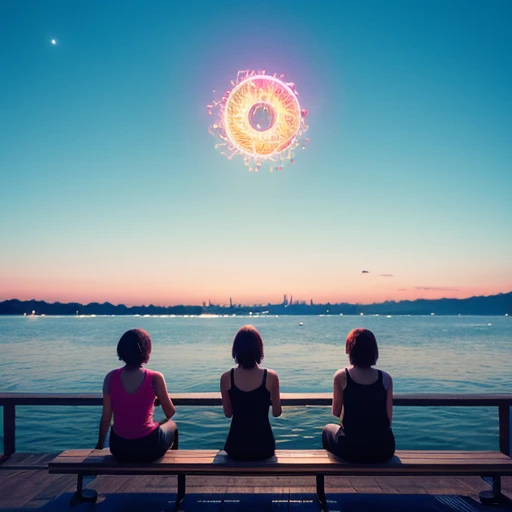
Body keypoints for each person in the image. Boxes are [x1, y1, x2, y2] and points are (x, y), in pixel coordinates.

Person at [95, 328, 177, 462]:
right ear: (146, 351)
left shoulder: (110, 377)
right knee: (172, 425)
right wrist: (158, 398)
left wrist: (99, 445)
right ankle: (173, 466)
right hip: (148, 447)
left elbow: (106, 418)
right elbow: (170, 412)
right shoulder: (155, 378)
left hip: (119, 448)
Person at [322, 328, 395, 462]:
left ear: (350, 350)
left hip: (352, 449)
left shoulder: (341, 376)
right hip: (384, 449)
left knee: (327, 430)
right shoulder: (386, 378)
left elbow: (336, 412)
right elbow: (388, 419)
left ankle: (334, 471)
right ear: (374, 351)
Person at [220, 325, 282, 460]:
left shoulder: (226, 378)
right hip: (264, 447)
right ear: (259, 349)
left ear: (236, 350)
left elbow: (228, 413)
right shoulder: (271, 377)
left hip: (236, 448)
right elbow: (277, 413)